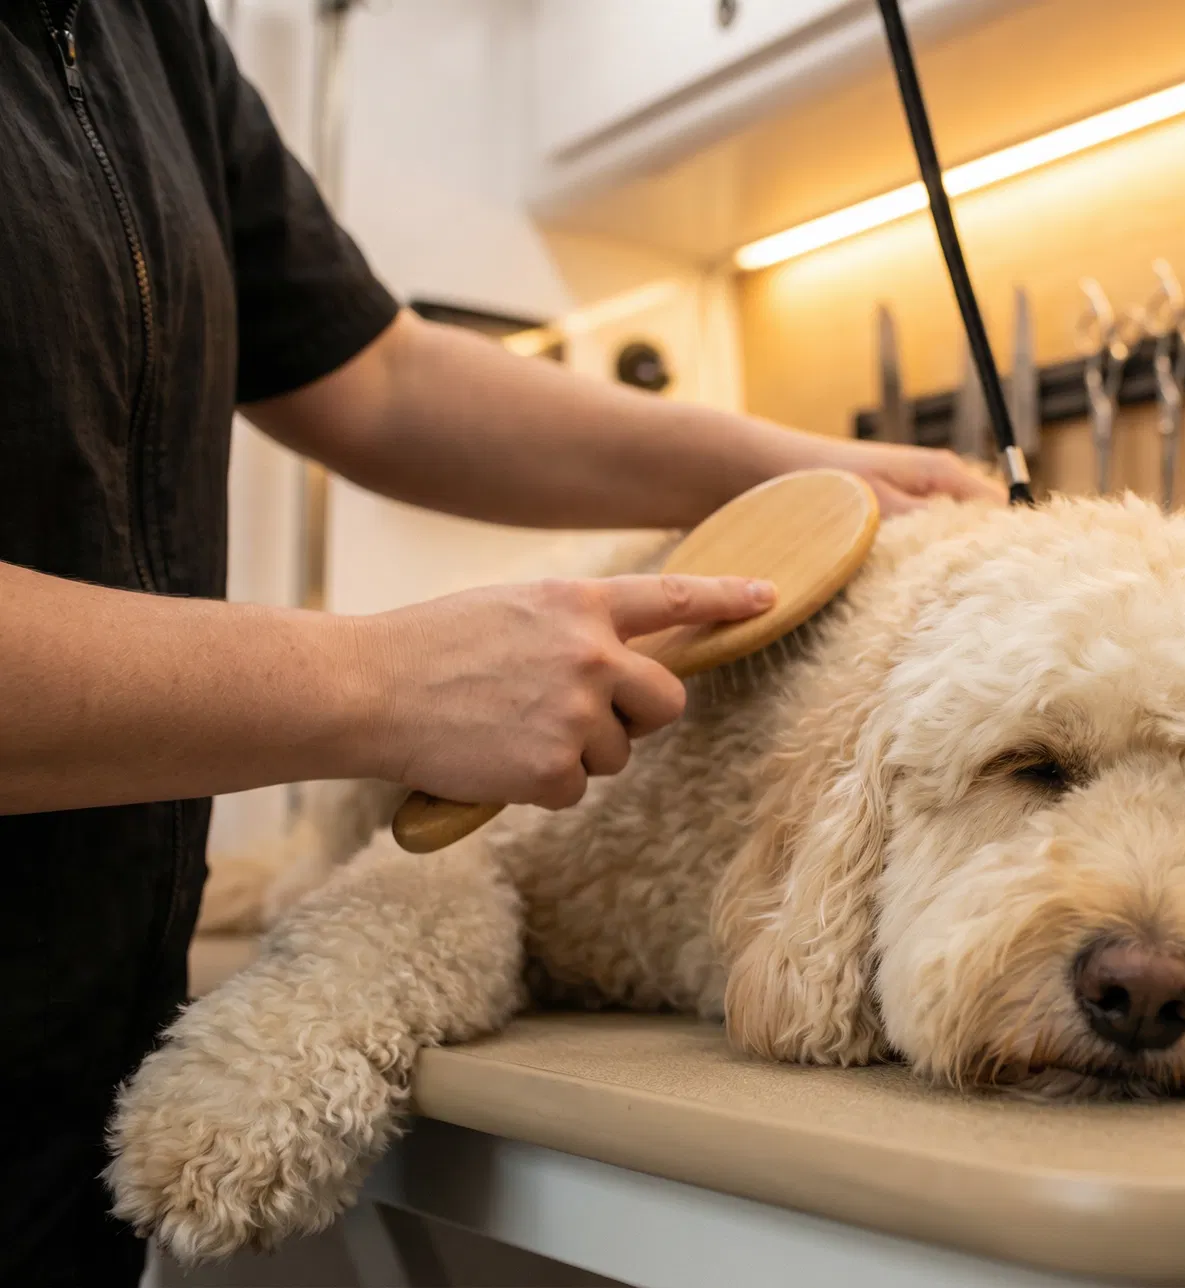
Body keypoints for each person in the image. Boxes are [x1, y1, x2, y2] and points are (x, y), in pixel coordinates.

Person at [0, 2, 996, 1281]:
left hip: (64, 1047)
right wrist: (378, 682)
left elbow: (381, 375)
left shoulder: (145, 28)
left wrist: (811, 471)